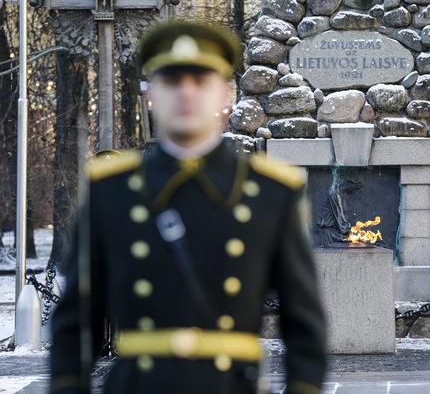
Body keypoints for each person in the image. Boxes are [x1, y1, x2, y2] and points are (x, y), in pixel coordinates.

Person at [49, 20, 327, 393]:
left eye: (201, 81)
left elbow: (304, 324)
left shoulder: (271, 193)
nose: (186, 93)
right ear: (151, 95)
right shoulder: (110, 192)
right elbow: (74, 326)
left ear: (226, 95)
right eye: (172, 81)